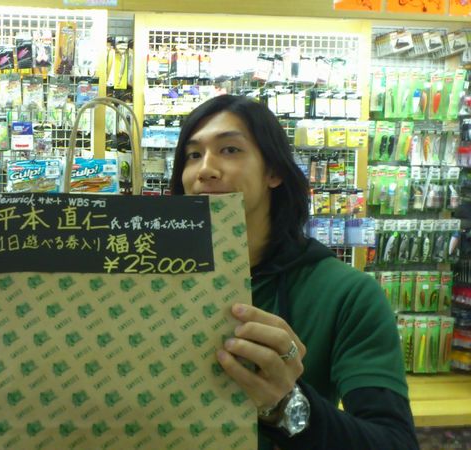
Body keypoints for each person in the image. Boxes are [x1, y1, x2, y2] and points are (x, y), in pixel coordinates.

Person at [168, 94, 418, 449]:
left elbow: (395, 442)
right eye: (193, 155)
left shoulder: (347, 294)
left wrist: (287, 405)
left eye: (230, 150)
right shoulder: (157, 282)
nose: (205, 169)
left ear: (274, 172)